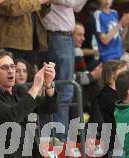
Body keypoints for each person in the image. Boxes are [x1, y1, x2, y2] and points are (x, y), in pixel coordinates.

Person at [41, 0, 87, 141]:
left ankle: (58, 141)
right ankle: (58, 141)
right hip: (56, 35)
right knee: (63, 90)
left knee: (63, 90)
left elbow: (77, 6)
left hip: (64, 36)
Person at [0, 0, 51, 65]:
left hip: (30, 42)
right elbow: (11, 8)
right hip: (9, 42)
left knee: (29, 73)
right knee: (11, 72)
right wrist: (38, 1)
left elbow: (37, 13)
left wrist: (46, 4)